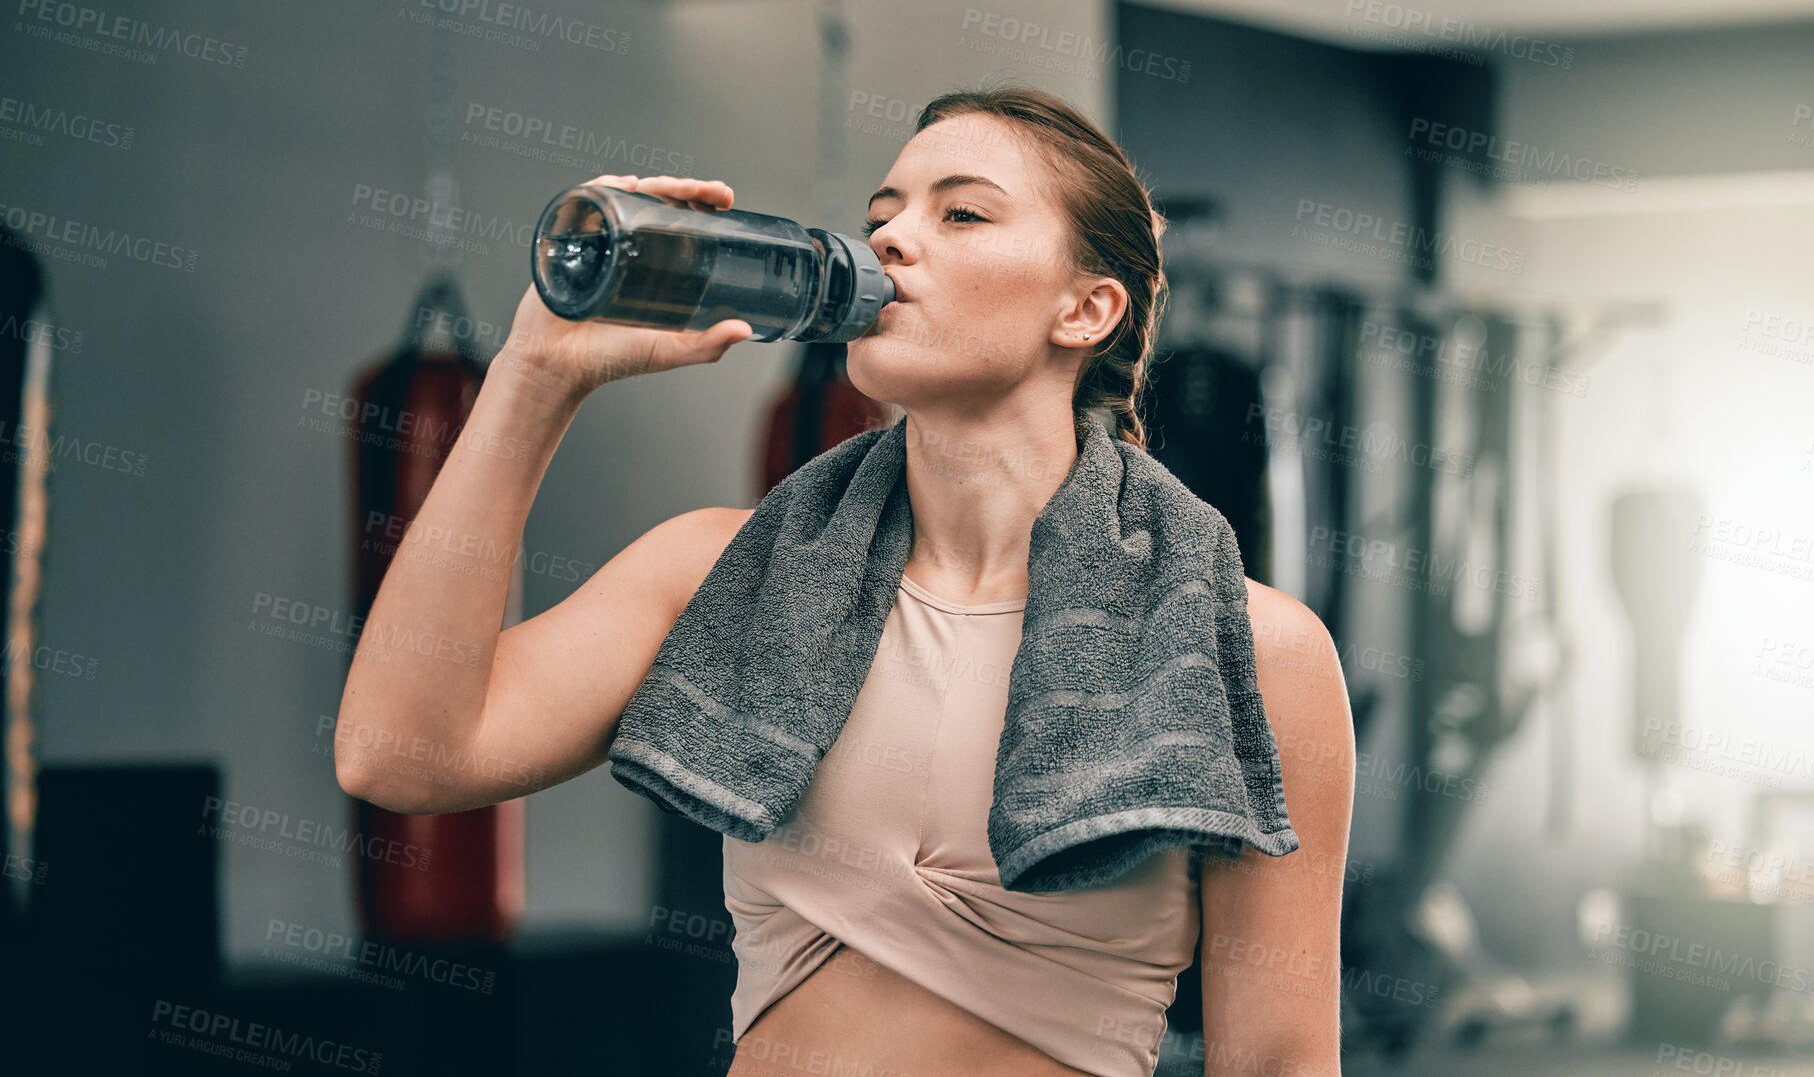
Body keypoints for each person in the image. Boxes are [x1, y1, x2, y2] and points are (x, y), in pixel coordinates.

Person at [337, 84, 1355, 1077]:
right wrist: (533, 377)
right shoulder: (720, 571)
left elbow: (1275, 1059)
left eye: (959, 213)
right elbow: (399, 757)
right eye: (882, 216)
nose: (893, 240)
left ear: (1085, 308)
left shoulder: (1252, 652)